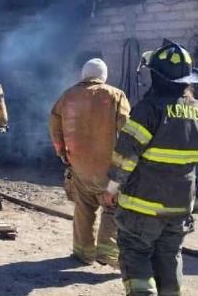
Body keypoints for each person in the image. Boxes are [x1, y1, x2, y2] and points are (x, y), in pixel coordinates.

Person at [105, 42, 198, 296]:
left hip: (143, 205)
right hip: (181, 204)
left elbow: (125, 157)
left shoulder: (148, 110)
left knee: (136, 253)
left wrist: (111, 189)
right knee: (170, 256)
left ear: (155, 75)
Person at [49, 58, 130, 268]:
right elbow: (129, 131)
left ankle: (82, 254)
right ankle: (108, 253)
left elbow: (54, 123)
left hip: (79, 165)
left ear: (83, 74)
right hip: (108, 168)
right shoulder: (115, 95)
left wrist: (61, 152)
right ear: (103, 76)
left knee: (84, 210)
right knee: (112, 208)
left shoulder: (67, 96)